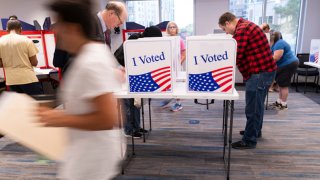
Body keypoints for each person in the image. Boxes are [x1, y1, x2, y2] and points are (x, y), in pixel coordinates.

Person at [38, 0, 123, 179]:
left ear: (73, 28)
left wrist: (59, 117)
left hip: (91, 162)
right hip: (84, 154)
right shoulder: (86, 55)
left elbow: (108, 118)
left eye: (58, 24)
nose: (55, 30)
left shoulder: (90, 62)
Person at [218, 12, 277, 149]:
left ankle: (249, 140)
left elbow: (236, 54)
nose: (226, 33)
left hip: (259, 73)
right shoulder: (245, 25)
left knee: (253, 108)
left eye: (224, 29)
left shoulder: (242, 30)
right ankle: (255, 131)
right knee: (258, 105)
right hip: (264, 71)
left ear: (228, 23)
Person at [52, 1, 128, 74]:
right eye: (120, 21)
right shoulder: (89, 24)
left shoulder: (106, 31)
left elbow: (103, 55)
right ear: (111, 13)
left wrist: (116, 68)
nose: (119, 25)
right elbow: (75, 60)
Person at [113, 26, 163, 138]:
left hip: (132, 73)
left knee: (136, 103)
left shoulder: (141, 42)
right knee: (127, 103)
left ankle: (136, 126)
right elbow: (125, 58)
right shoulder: (135, 40)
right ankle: (128, 130)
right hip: (122, 71)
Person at [0, 20, 43, 96]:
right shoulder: (26, 40)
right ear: (21, 29)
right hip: (27, 79)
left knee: (21, 105)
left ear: (7, 29)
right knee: (38, 104)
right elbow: (34, 62)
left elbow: (0, 64)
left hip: (11, 81)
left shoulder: (1, 41)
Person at [269, 31, 298, 110]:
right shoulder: (275, 44)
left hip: (289, 64)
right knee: (281, 84)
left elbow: (276, 57)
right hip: (283, 65)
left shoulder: (279, 43)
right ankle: (279, 102)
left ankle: (284, 105)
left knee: (284, 85)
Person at [160, 21, 186, 112]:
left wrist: (178, 64)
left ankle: (178, 104)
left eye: (173, 27)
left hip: (177, 66)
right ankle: (168, 99)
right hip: (167, 66)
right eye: (170, 27)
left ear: (176, 29)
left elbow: (184, 53)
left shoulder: (180, 40)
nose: (172, 29)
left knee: (177, 85)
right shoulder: (165, 40)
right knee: (168, 84)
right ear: (167, 29)